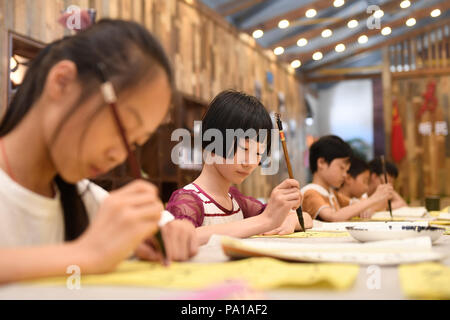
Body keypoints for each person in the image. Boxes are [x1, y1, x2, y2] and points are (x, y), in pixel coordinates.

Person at [0, 20, 197, 284]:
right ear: (62, 82)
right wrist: (86, 254)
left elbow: (167, 225)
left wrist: (172, 231)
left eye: (136, 143)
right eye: (124, 128)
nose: (121, 156)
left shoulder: (82, 197)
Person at [166, 90, 310, 245]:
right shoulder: (188, 200)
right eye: (244, 149)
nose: (249, 162)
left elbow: (307, 219)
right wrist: (265, 220)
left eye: (258, 153)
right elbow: (181, 238)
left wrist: (290, 220)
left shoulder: (237, 201)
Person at [301, 135, 394, 222]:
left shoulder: (332, 193)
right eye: (341, 168)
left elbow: (357, 206)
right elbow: (333, 217)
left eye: (346, 170)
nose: (345, 175)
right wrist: (373, 199)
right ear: (321, 163)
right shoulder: (311, 192)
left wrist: (372, 205)